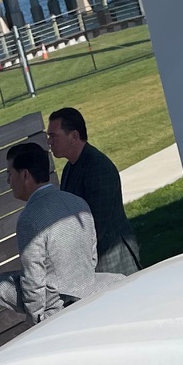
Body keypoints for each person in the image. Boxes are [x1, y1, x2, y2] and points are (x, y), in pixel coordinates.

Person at [0, 141, 122, 324]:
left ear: (25, 175)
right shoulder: (77, 202)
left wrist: (38, 321)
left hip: (57, 303)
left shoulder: (30, 218)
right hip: (88, 285)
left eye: (10, 174)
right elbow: (91, 256)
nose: (8, 182)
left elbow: (33, 279)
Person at [48, 106, 140, 275]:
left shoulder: (98, 168)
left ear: (74, 136)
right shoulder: (70, 168)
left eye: (54, 136)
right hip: (94, 263)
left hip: (112, 262)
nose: (49, 142)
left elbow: (96, 226)